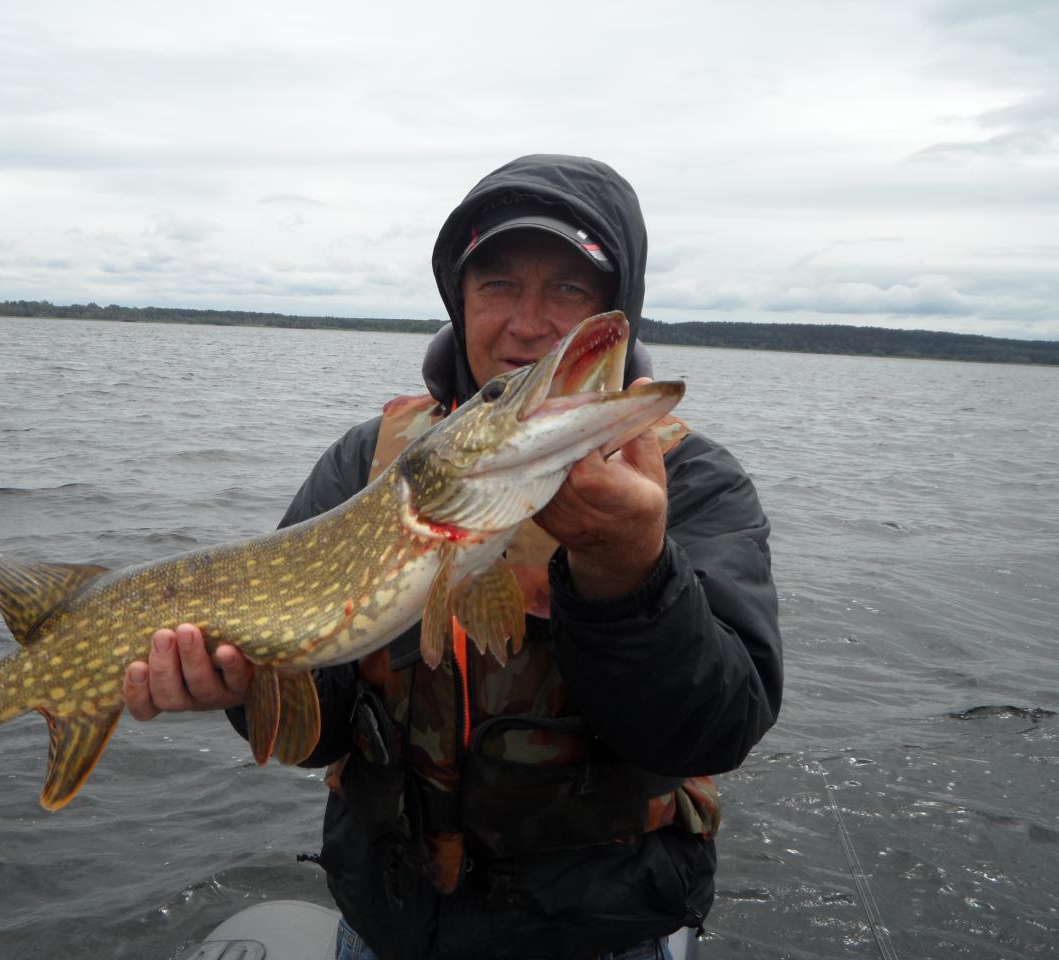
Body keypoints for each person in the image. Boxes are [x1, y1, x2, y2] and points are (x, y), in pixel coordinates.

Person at [123, 154, 783, 960]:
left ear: (616, 306)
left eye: (568, 289)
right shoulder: (369, 462)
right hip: (391, 925)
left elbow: (714, 733)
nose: (529, 324)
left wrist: (629, 569)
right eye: (498, 284)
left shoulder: (694, 481)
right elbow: (315, 732)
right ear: (460, 301)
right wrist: (241, 686)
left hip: (598, 937)